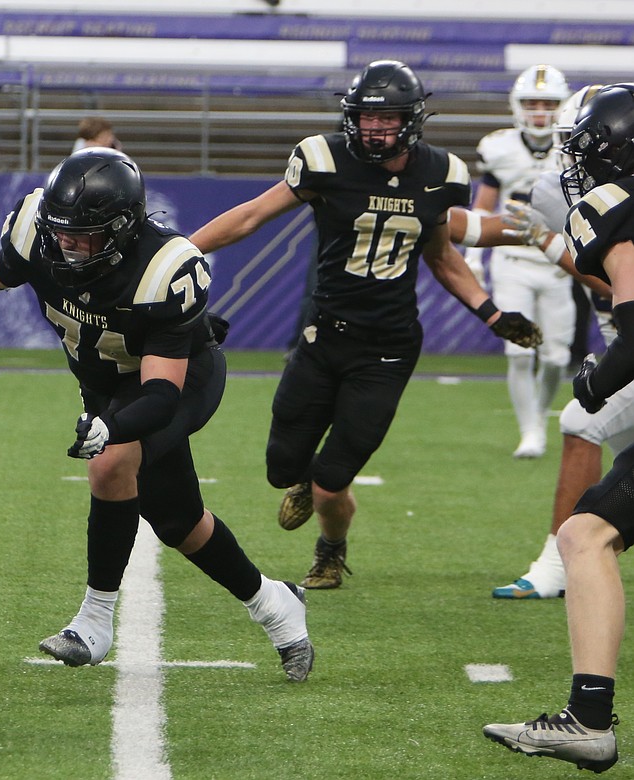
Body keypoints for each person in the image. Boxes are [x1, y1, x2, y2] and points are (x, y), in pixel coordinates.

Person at [0, 147, 314, 681]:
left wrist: (111, 426)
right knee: (180, 523)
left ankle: (94, 620)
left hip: (177, 382)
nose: (68, 245)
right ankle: (274, 604)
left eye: (84, 235)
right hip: (105, 388)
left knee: (111, 463)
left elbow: (159, 393)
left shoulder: (162, 269)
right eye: (60, 232)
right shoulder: (40, 232)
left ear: (124, 228)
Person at [190, 60, 542, 590]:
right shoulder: (323, 158)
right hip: (322, 335)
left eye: (388, 119)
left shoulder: (441, 173)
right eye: (366, 118)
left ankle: (331, 549)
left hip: (389, 347)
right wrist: (182, 251)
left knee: (333, 482)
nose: (374, 128)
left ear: (413, 119)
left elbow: (442, 256)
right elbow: (252, 215)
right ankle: (306, 480)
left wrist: (492, 314)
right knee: (282, 469)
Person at [483, 82, 634, 774]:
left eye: (579, 147)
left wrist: (594, 381)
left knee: (585, 534)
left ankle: (588, 720)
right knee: (588, 531)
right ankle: (588, 718)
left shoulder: (613, 207)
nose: (571, 163)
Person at [463, 65, 573, 458]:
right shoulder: (500, 147)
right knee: (519, 351)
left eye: (548, 103)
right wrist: (473, 255)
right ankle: (530, 432)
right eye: (532, 103)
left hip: (559, 262)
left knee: (558, 358)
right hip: (512, 259)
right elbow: (484, 205)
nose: (540, 111)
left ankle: (538, 417)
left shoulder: (573, 146)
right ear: (517, 106)